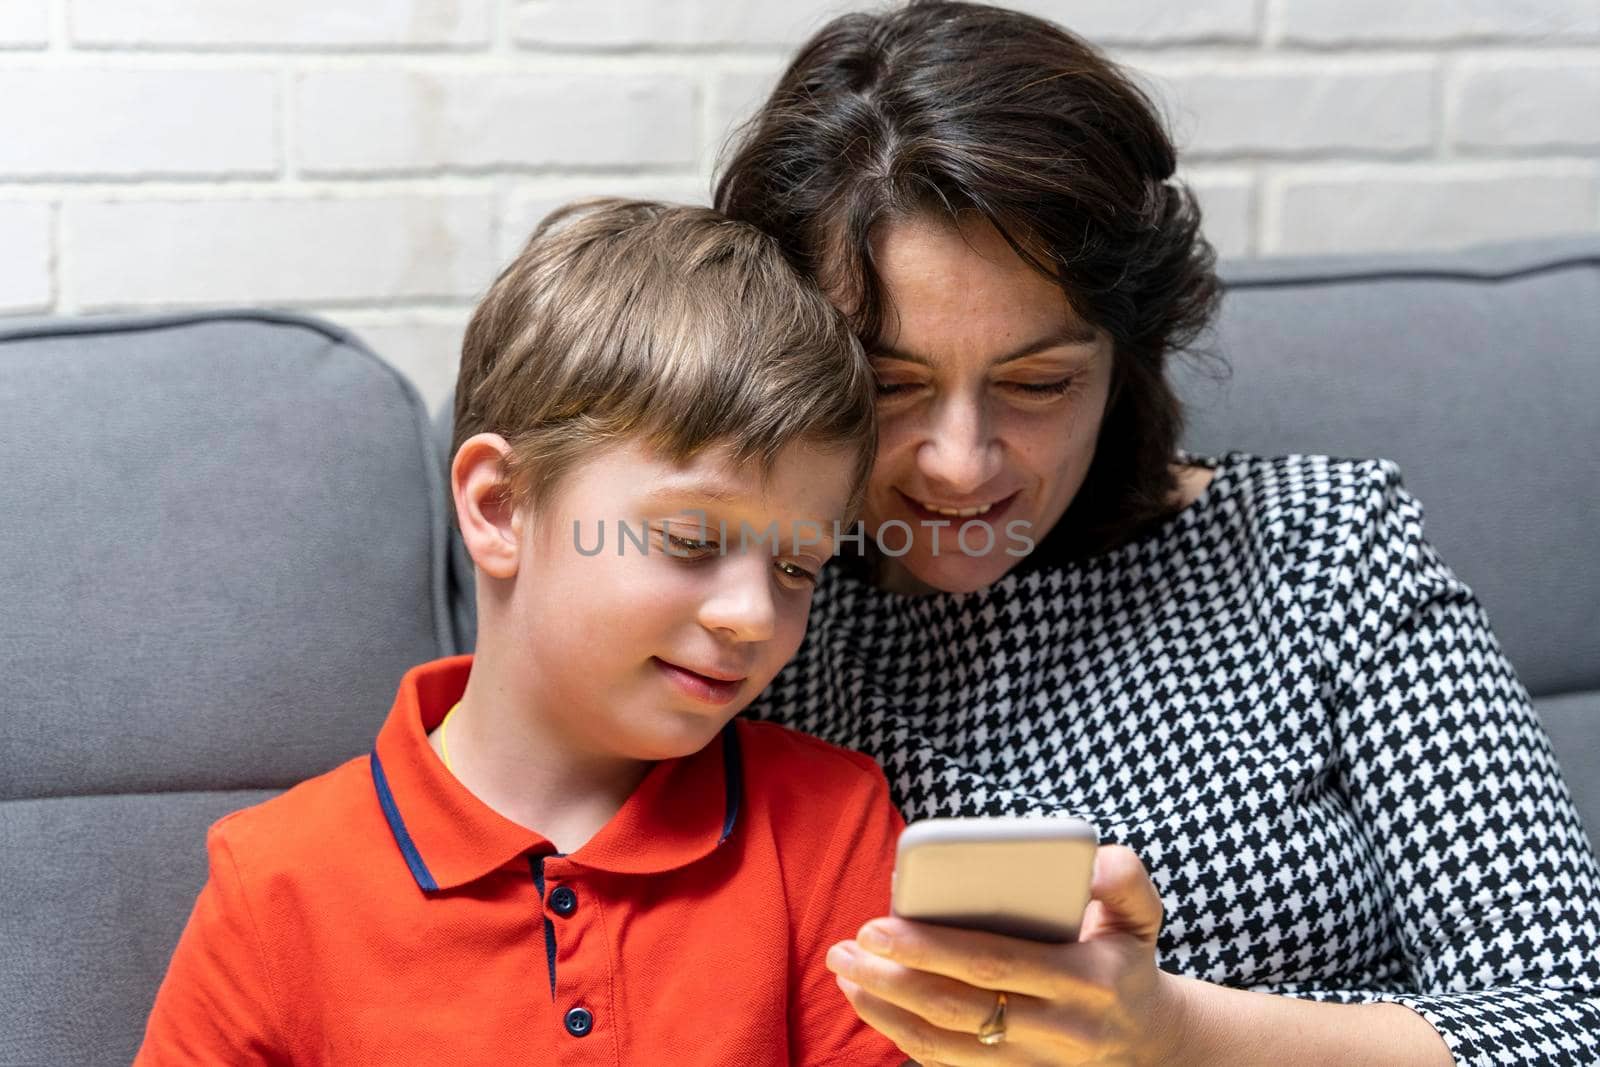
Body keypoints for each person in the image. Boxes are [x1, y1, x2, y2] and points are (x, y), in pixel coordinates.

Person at [715, 3, 1600, 1064]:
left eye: (1038, 382)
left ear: (1125, 356)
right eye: (890, 386)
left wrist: (1176, 1032)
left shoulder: (1318, 547)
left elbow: (1574, 1013)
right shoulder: (745, 620)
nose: (961, 461)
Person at [132, 200, 911, 1065]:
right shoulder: (277, 885)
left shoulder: (829, 828)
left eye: (797, 568)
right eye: (692, 540)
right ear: (500, 508)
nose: (754, 615)